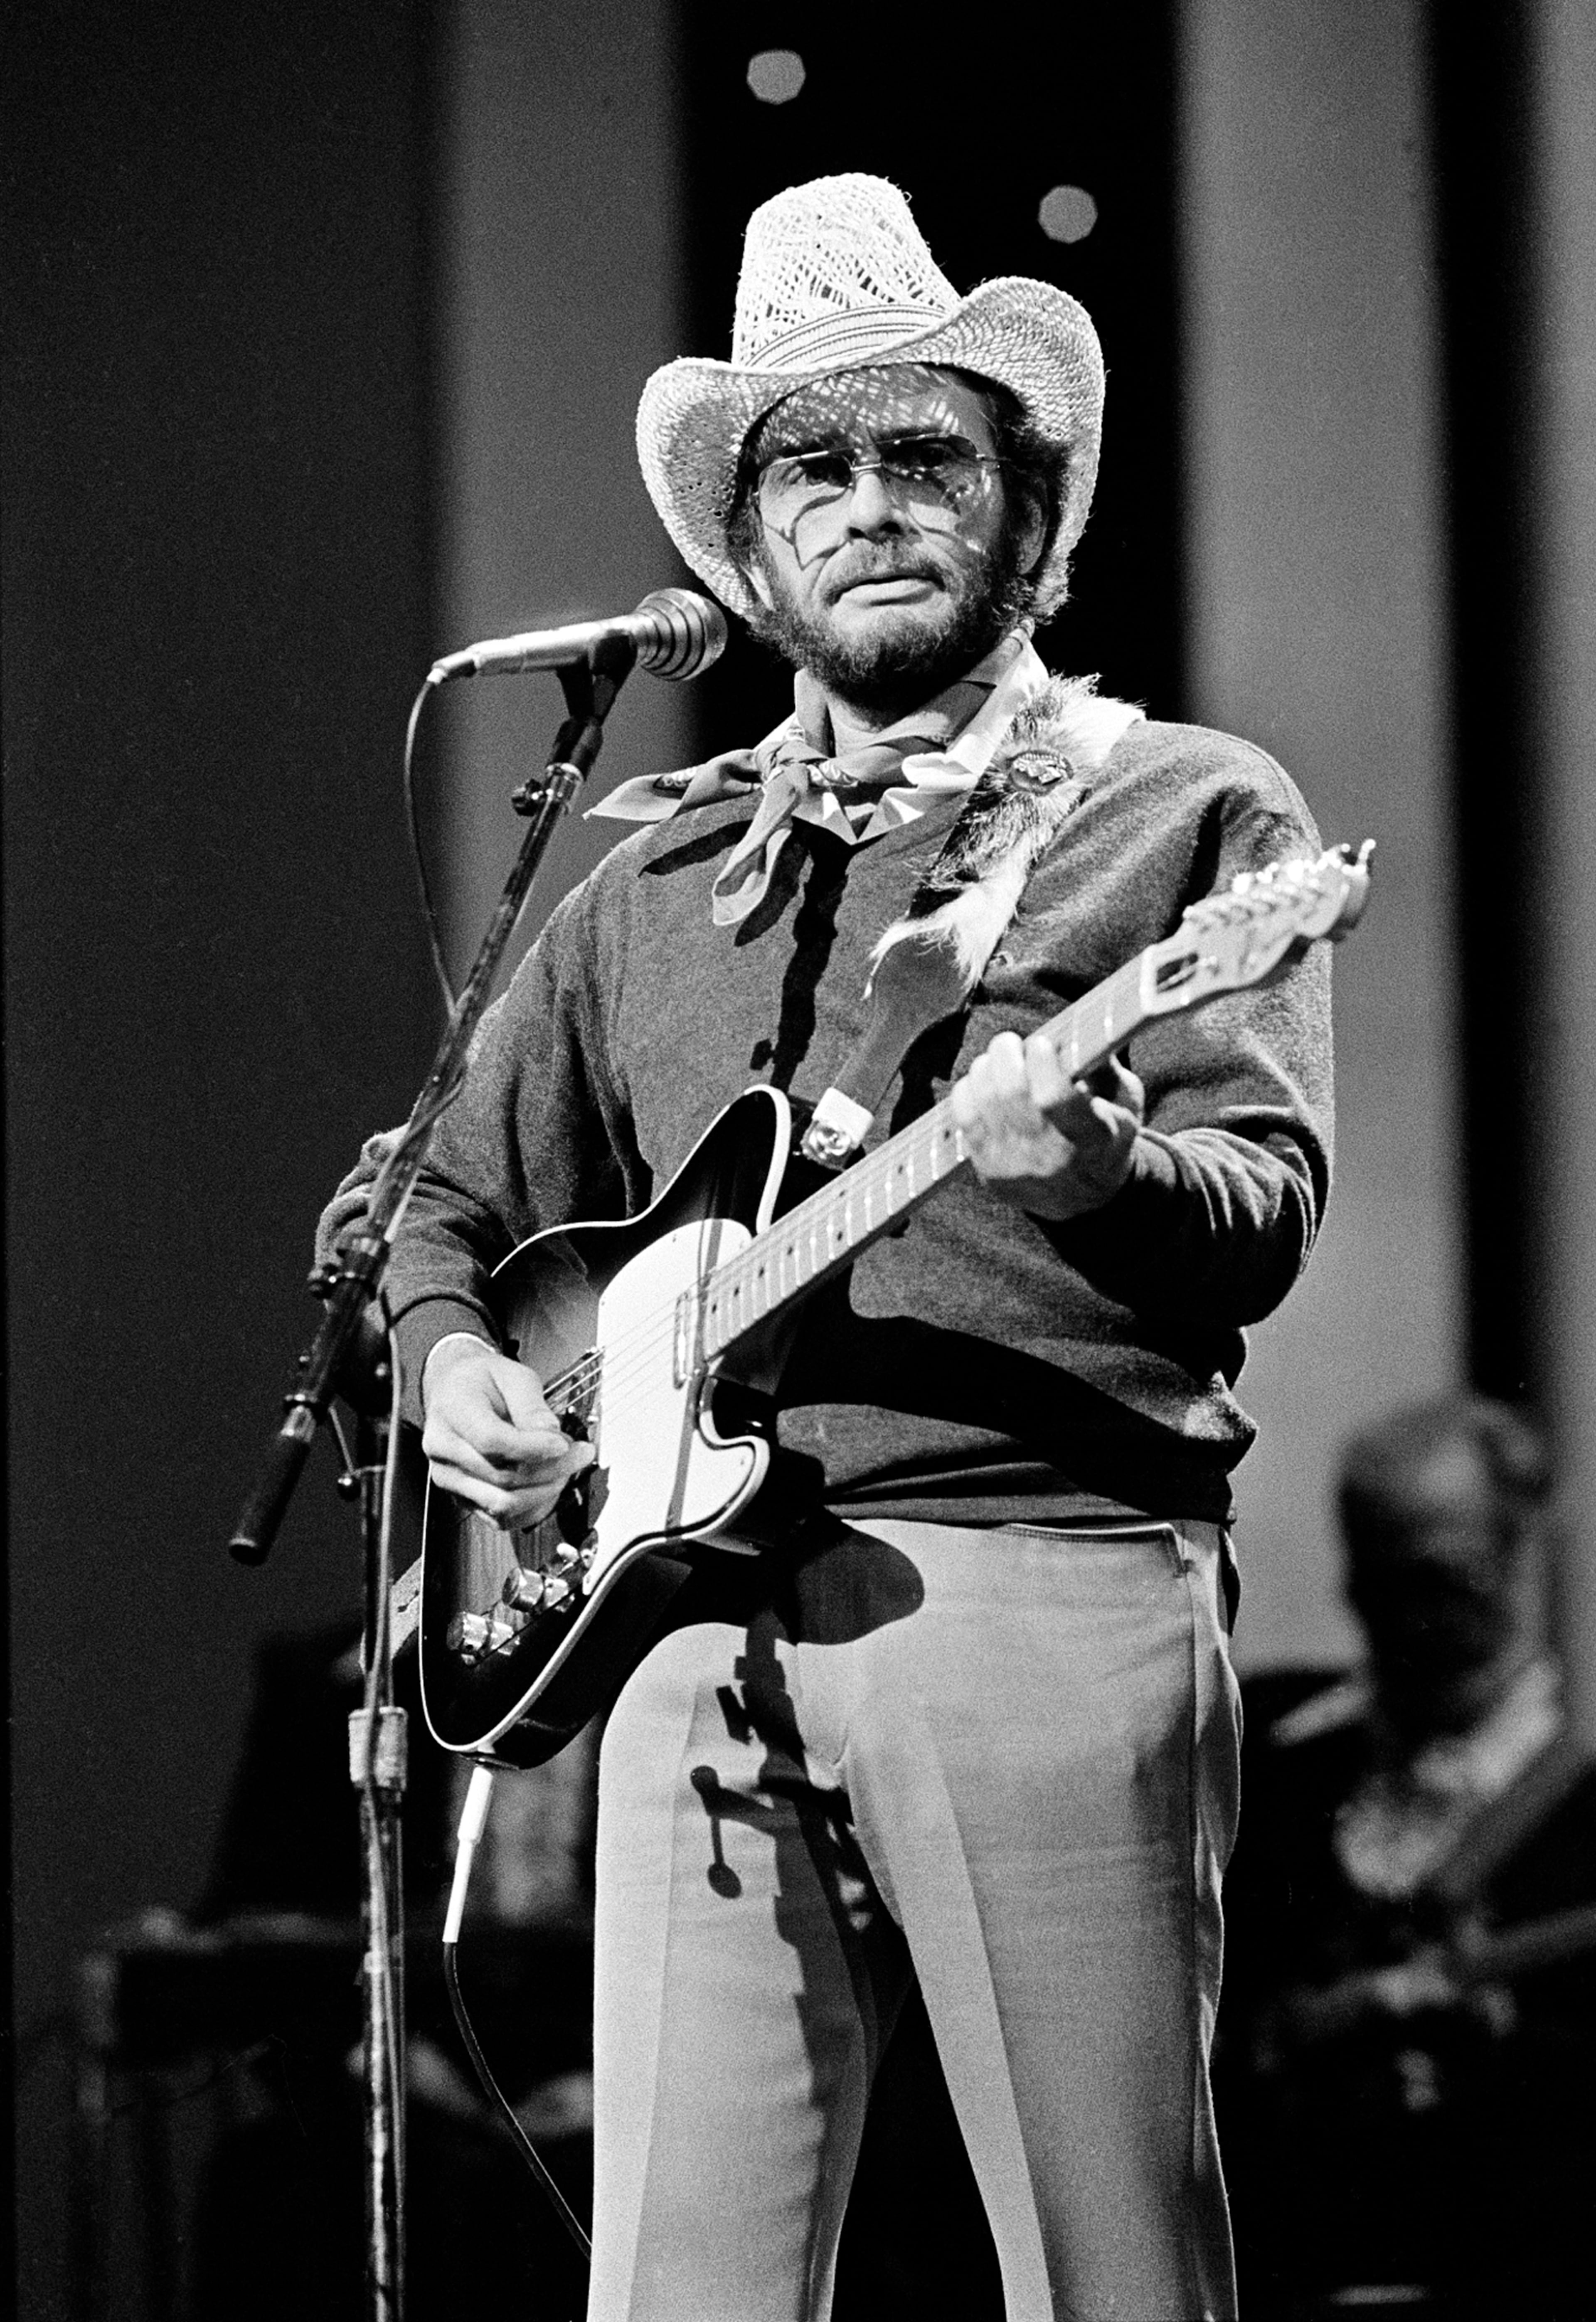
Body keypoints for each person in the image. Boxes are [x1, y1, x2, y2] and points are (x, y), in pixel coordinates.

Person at [323, 173, 1334, 2320]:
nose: (869, 506)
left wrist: (1085, 1170)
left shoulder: (1182, 809)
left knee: (1106, 2274)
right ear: (748, 549)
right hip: (678, 1623)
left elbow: (1259, 1207)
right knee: (677, 2289)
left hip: (1042, 1574)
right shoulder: (650, 876)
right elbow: (438, 1201)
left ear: (1026, 509)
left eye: (923, 458)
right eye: (813, 468)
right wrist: (447, 1358)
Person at [1217, 1396, 1596, 2319]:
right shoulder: (1269, 1757)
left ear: (1520, 1556)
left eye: (1441, 1576)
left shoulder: (1586, 1826)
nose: (1405, 1618)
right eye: (1377, 1582)